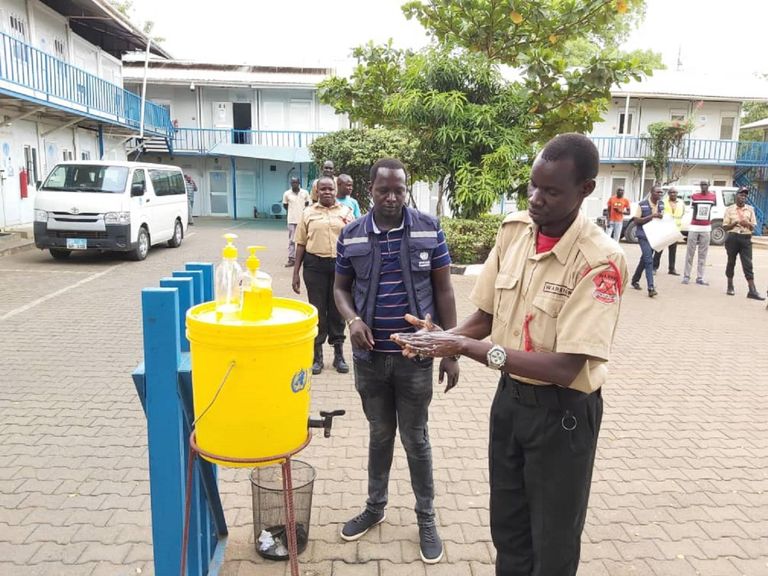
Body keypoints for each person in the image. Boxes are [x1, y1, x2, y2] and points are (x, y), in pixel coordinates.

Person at [390, 134, 628, 576]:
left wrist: (464, 346)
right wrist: (443, 337)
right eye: (532, 186)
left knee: (553, 542)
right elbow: (486, 315)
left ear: (586, 190)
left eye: (551, 191)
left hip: (563, 418)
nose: (536, 199)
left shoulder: (599, 261)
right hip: (511, 406)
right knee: (509, 528)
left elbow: (566, 366)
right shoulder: (515, 232)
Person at [334, 157, 458, 564]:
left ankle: (426, 517)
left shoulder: (428, 228)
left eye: (399, 190)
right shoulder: (350, 235)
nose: (391, 197)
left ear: (407, 189)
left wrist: (450, 348)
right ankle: (375, 506)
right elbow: (340, 288)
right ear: (369, 189)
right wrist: (351, 320)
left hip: (414, 361)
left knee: (416, 439)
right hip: (370, 361)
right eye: (384, 189)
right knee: (380, 434)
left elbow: (445, 291)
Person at [292, 176, 354, 373]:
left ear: (336, 191)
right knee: (318, 310)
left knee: (338, 310)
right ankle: (317, 355)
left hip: (341, 266)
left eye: (330, 189)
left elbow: (354, 242)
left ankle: (339, 355)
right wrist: (295, 273)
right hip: (315, 266)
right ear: (316, 192)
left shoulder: (347, 212)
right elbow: (300, 243)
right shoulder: (307, 213)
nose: (327, 192)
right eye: (323, 189)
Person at [724, 188, 765, 300]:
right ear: (736, 196)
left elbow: (753, 226)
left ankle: (752, 290)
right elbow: (725, 227)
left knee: (748, 264)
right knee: (731, 262)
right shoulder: (730, 209)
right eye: (741, 195)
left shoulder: (750, 209)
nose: (743, 197)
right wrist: (735, 223)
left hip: (746, 238)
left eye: (745, 196)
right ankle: (730, 286)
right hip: (733, 237)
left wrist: (747, 223)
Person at [630, 185, 664, 297]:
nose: (660, 194)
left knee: (644, 259)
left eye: (661, 192)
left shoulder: (662, 204)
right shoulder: (642, 204)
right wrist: (651, 216)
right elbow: (636, 221)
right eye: (657, 192)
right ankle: (651, 287)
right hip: (643, 236)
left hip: (655, 236)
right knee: (649, 260)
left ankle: (635, 280)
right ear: (651, 192)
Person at [683, 180, 716, 285]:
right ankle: (686, 276)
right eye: (701, 184)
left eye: (705, 184)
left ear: (709, 185)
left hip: (706, 228)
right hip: (694, 227)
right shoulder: (695, 196)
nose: (703, 186)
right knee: (690, 253)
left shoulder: (713, 197)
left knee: (702, 254)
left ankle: (700, 277)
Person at [653, 187, 683, 275]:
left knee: (673, 251)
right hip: (665, 228)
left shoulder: (681, 202)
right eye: (671, 192)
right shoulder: (663, 202)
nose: (673, 194)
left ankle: (672, 269)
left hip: (675, 229)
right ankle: (654, 267)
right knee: (659, 249)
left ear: (677, 193)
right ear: (668, 194)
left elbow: (682, 213)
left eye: (675, 192)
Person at [282, 177, 310, 267]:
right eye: (292, 182)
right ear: (290, 183)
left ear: (299, 183)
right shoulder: (287, 194)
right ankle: (291, 259)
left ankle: (304, 259)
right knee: (291, 240)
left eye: (296, 182)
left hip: (302, 220)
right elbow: (285, 205)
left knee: (303, 240)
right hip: (291, 220)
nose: (294, 184)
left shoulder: (305, 193)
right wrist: (293, 211)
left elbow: (307, 204)